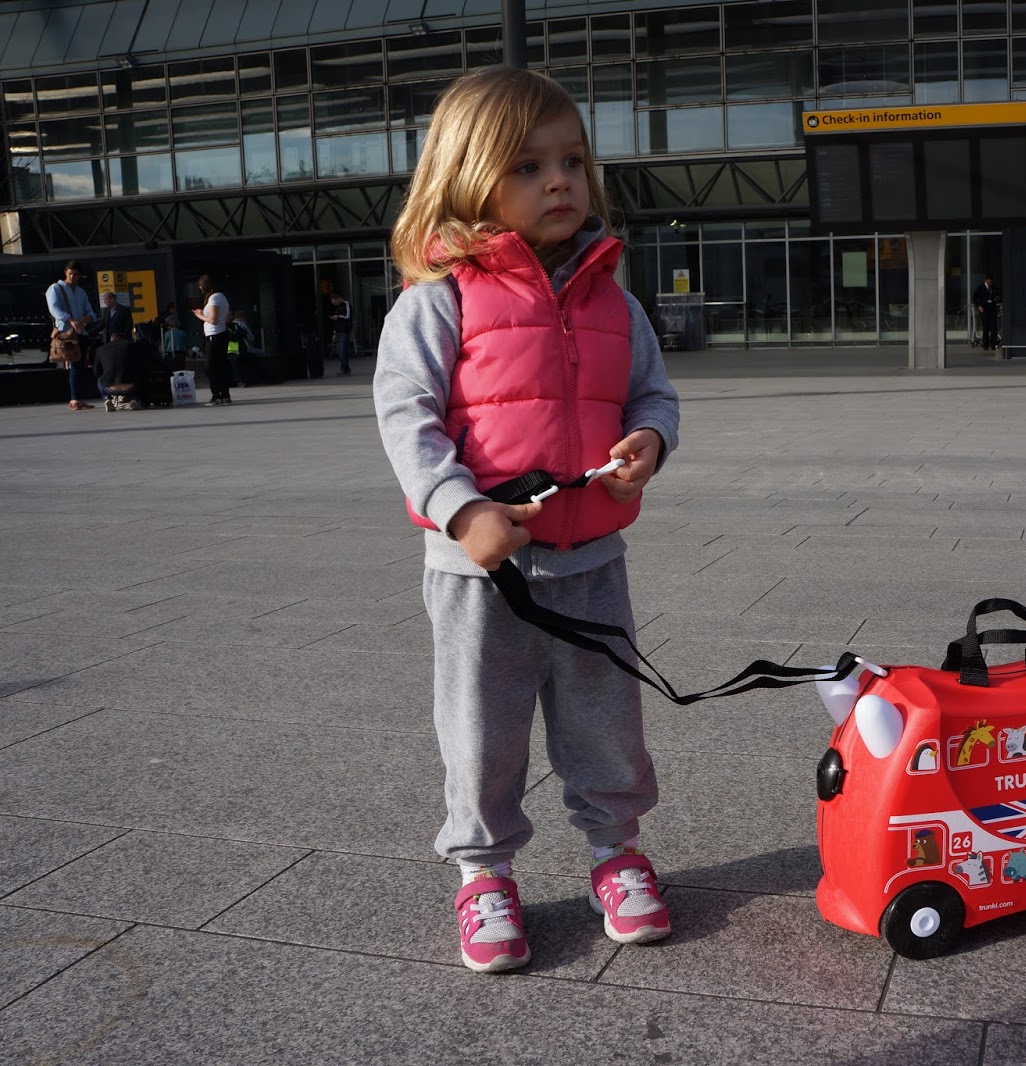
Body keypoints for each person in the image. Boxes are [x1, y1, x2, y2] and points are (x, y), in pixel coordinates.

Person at [374, 67, 680, 974]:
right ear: (467, 178)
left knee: (608, 724)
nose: (561, 182)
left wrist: (647, 445)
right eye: (528, 165)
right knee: (482, 730)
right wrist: (460, 510)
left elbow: (653, 396)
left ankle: (616, 854)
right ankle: (483, 870)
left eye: (573, 161)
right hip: (479, 577)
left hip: (592, 562)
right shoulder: (438, 300)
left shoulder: (614, 300)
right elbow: (406, 417)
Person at [45, 260, 97, 410]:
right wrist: (71, 320)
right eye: (70, 274)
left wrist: (86, 319)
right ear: (65, 273)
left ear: (79, 275)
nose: (73, 276)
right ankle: (74, 399)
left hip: (81, 332)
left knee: (79, 367)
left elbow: (90, 311)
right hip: (66, 333)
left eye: (75, 274)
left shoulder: (81, 292)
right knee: (74, 365)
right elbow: (54, 308)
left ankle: (77, 398)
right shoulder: (56, 288)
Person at [193, 274, 232, 406]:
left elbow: (213, 320)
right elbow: (227, 317)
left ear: (205, 286)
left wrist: (200, 315)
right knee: (221, 366)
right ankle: (225, 395)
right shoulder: (222, 297)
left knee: (211, 367)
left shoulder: (214, 298)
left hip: (213, 335)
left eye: (200, 286)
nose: (199, 289)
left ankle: (216, 396)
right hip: (221, 334)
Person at [93, 330, 143, 410]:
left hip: (110, 388)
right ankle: (135, 399)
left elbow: (96, 372)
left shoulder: (100, 349)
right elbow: (141, 365)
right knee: (141, 377)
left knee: (100, 381)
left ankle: (107, 399)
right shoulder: (133, 345)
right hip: (131, 386)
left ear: (111, 340)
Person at [973, 274, 1000, 351]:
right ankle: (985, 345)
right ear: (985, 281)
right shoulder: (980, 287)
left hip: (992, 309)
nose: (990, 284)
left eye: (991, 282)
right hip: (984, 310)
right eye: (988, 282)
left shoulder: (994, 287)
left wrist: (996, 299)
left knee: (993, 327)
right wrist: (979, 306)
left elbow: (998, 295)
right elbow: (974, 297)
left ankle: (993, 345)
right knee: (986, 327)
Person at [328, 292, 353, 375]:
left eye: (335, 302)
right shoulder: (338, 308)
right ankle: (345, 368)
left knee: (342, 350)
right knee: (340, 350)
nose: (335, 304)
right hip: (339, 331)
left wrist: (338, 317)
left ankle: (344, 368)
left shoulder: (346, 304)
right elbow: (336, 323)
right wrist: (334, 333)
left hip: (344, 331)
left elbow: (348, 316)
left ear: (338, 298)